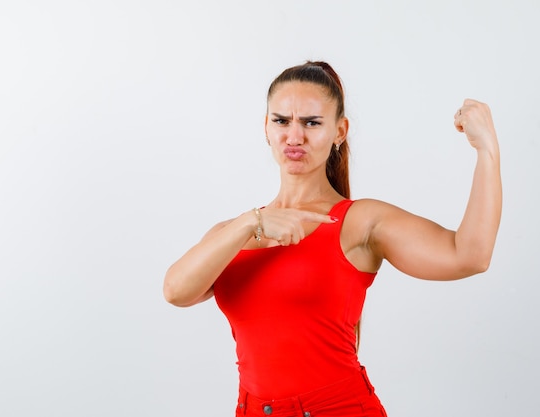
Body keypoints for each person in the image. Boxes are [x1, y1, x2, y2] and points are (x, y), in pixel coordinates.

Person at [163, 61, 502, 417]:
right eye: (281, 121)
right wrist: (253, 222)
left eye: (312, 123)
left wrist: (487, 151)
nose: (294, 137)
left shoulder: (361, 222)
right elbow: (175, 291)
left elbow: (470, 255)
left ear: (340, 131)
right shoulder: (234, 232)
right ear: (265, 127)